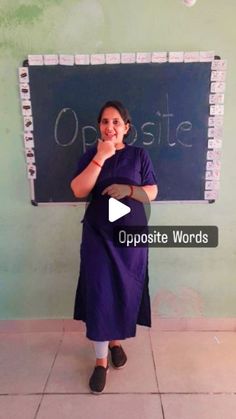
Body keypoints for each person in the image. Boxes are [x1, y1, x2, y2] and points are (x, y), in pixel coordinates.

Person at [71, 101, 158, 394]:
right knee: (100, 293)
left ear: (126, 127)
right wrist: (100, 157)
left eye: (116, 122)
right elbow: (79, 189)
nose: (111, 127)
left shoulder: (138, 155)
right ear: (99, 126)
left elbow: (152, 191)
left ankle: (116, 341)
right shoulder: (91, 155)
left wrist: (130, 191)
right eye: (106, 122)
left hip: (130, 240)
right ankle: (100, 361)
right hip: (98, 236)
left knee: (123, 290)